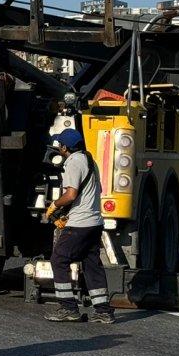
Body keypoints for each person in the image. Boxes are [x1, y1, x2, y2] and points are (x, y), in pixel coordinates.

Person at [43, 128, 115, 324]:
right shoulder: (90, 160)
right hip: (95, 222)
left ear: (65, 147)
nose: (59, 148)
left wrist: (54, 205)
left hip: (80, 224)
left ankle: (68, 308)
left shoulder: (73, 162)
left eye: (60, 145)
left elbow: (71, 194)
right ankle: (103, 311)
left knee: (58, 259)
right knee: (92, 264)